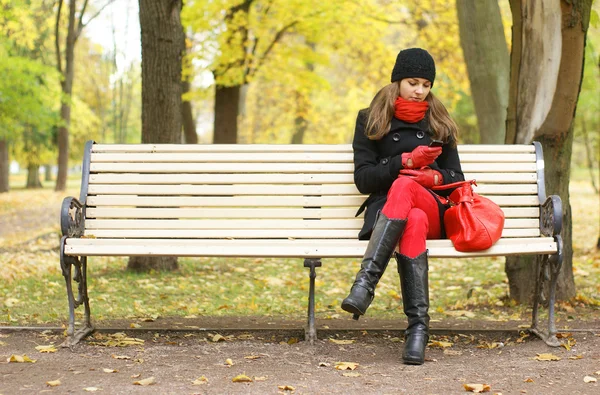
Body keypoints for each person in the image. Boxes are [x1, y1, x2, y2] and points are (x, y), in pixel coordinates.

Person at [341, 48, 465, 365]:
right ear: (397, 81)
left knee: (407, 185)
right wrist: (404, 160)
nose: (420, 90)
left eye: (426, 84)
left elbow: (456, 179)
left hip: (434, 204)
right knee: (413, 219)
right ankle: (418, 331)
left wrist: (430, 175)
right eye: (413, 82)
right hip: (393, 214)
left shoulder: (439, 121)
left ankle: (364, 285)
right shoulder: (370, 119)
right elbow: (364, 180)